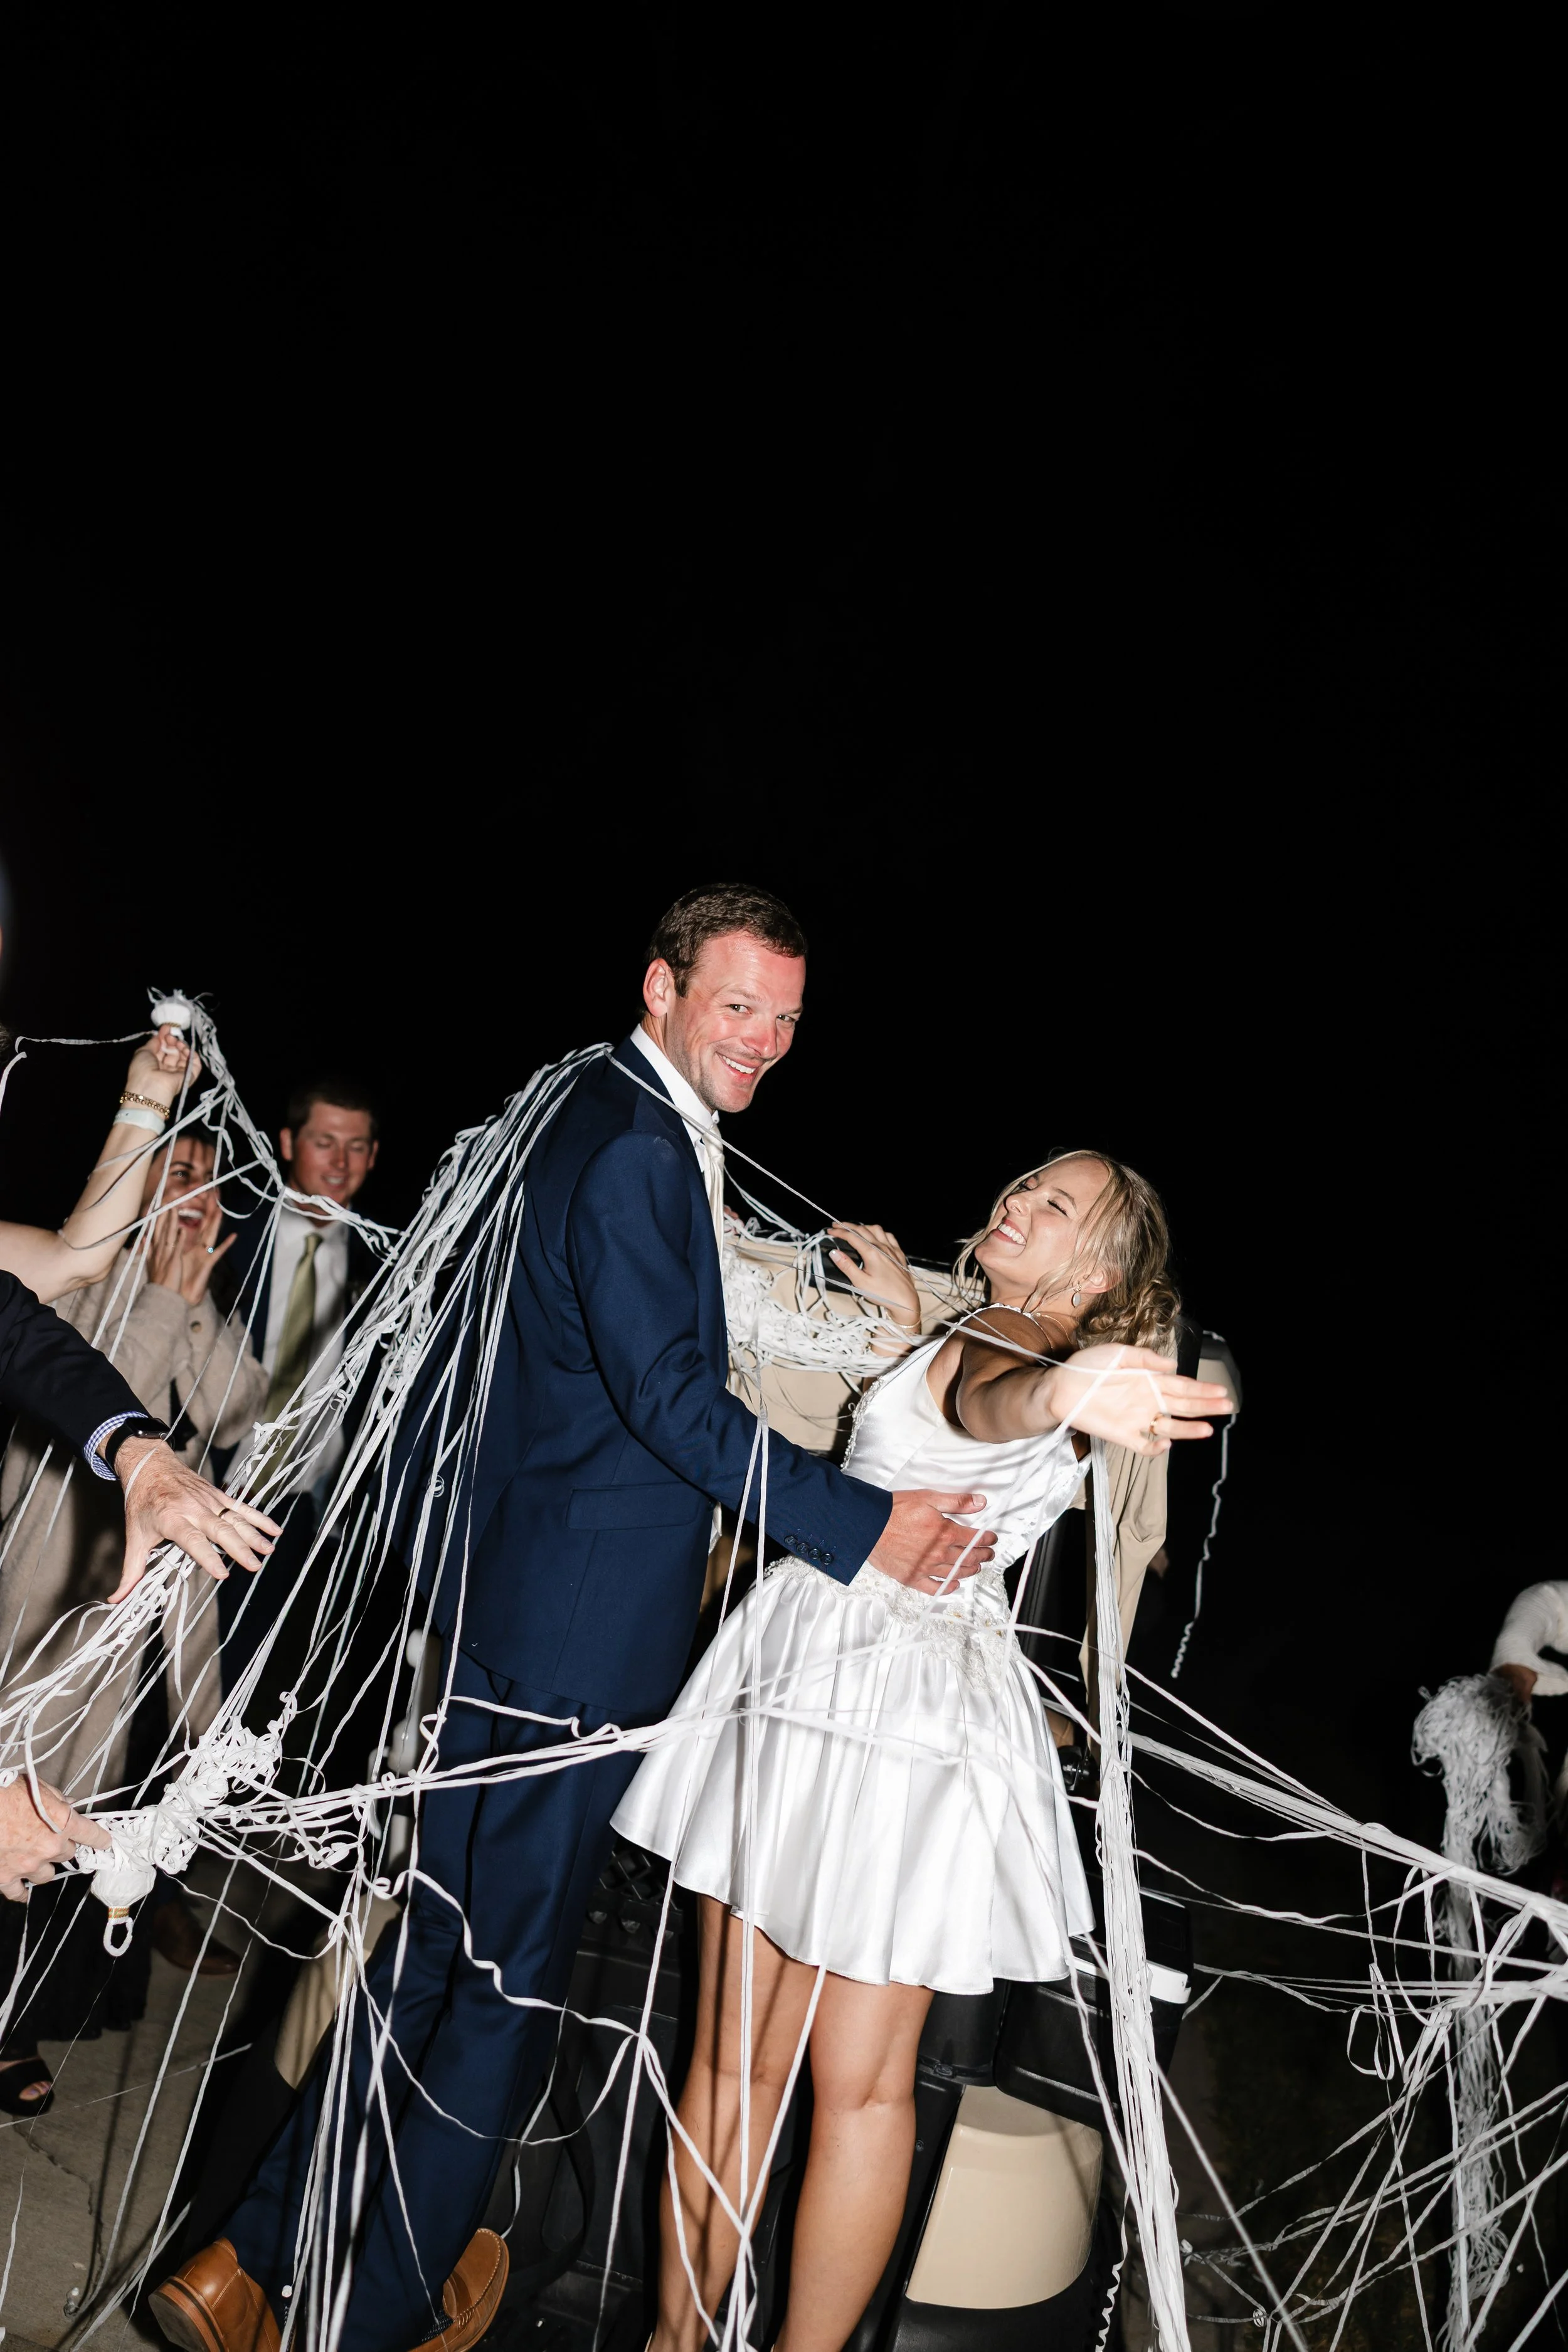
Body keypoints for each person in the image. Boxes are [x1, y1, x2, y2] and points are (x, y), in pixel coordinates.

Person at [159, 885, 1007, 2352]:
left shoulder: (582, 1105)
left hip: (506, 1599)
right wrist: (865, 1528)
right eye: (737, 1005)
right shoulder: (630, 1145)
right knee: (502, 1991)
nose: (763, 1041)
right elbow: (671, 1401)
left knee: (432, 1957)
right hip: (575, 1633)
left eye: (786, 1019)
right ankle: (369, 2313)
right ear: (662, 987)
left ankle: (247, 2258)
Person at [615, 1150, 1234, 2352]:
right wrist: (925, 1333)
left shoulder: (1012, 1343)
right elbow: (977, 1414)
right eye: (1027, 1183)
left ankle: (677, 2343)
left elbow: (993, 1395)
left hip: (832, 1681)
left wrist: (1053, 1389)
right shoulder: (1008, 1341)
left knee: (740, 2068)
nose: (1019, 1201)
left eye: (1056, 1207)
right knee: (867, 2095)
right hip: (939, 1716)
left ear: (1098, 1277)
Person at [0, 947, 278, 2101]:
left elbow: (235, 1407)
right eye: (179, 1166)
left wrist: (149, 1096)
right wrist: (163, 1305)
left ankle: (27, 2007)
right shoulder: (125, 1287)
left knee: (63, 1803)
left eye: (208, 1172)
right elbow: (79, 1339)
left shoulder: (178, 1284)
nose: (194, 1187)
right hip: (52, 1557)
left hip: (135, 1574)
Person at [217, 1079, 381, 1687]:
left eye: (356, 1146)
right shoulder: (232, 1228)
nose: (340, 1163)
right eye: (324, 1142)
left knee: (239, 1675)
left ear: (373, 1155)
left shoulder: (382, 1260)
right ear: (288, 1143)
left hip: (299, 1508)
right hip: (210, 1479)